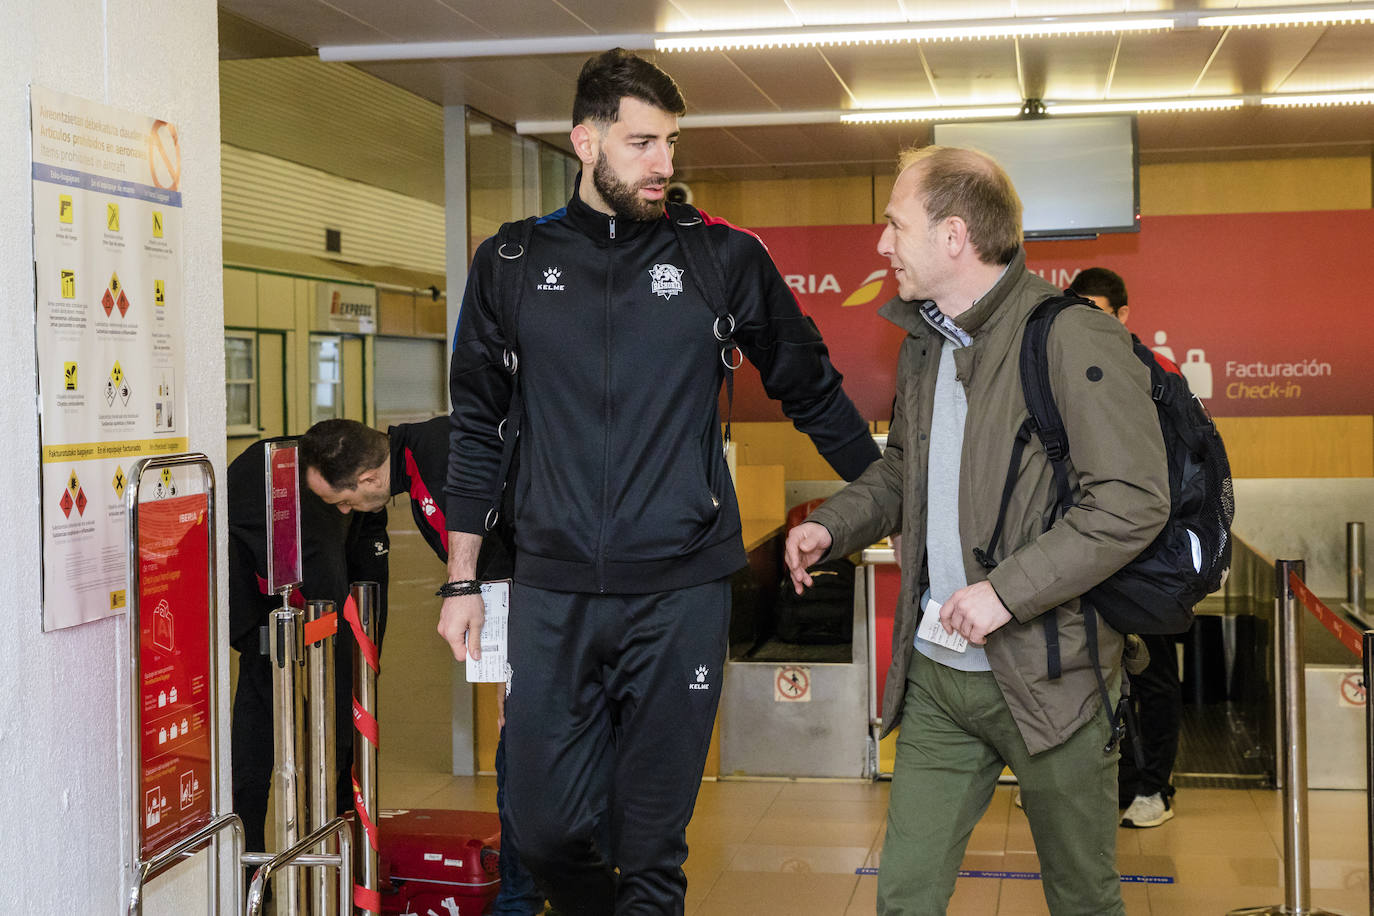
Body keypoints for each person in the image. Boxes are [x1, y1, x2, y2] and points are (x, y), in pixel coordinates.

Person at [440, 48, 881, 915]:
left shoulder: (723, 258)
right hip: (551, 588)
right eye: (643, 143)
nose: (664, 165)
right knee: (545, 829)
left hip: (680, 591)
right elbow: (478, 428)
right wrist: (462, 580)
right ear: (584, 140)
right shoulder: (513, 263)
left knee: (650, 850)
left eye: (671, 143)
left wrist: (893, 493)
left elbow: (813, 392)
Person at [784, 146, 1169, 915]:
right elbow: (903, 472)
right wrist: (832, 526)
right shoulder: (926, 343)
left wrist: (1007, 593)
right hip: (939, 678)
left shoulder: (1070, 338)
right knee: (904, 896)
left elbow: (1131, 500)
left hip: (1052, 682)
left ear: (953, 235)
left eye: (896, 224)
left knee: (1082, 898)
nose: (882, 244)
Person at [299, 417, 541, 915]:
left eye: (343, 501)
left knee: (519, 757)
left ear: (367, 480)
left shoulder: (439, 465)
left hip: (553, 613)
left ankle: (520, 900)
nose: (347, 511)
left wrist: (506, 684)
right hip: (545, 610)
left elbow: (498, 572)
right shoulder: (423, 455)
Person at [226, 437, 389, 857]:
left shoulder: (350, 496)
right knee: (273, 726)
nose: (348, 509)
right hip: (263, 606)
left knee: (338, 722)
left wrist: (367, 661)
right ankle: (255, 868)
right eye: (348, 503)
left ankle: (335, 845)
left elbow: (369, 597)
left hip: (308, 591)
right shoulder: (270, 482)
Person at [1068, 267, 1182, 828]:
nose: (1088, 319)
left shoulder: (1154, 372)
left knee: (1152, 672)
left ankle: (1153, 788)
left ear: (1123, 314)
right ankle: (1096, 781)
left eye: (1098, 308)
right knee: (1087, 667)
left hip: (1148, 548)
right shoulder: (1058, 368)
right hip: (1083, 547)